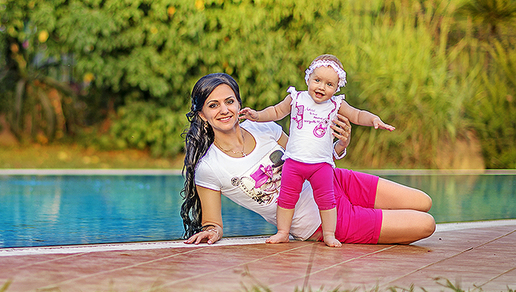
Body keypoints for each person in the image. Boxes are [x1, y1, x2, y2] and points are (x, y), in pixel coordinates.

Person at [180, 72, 435, 246]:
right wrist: (210, 231)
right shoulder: (210, 167)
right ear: (202, 115)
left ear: (239, 104)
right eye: (213, 105)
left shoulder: (265, 128)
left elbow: (311, 158)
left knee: (423, 201)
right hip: (322, 222)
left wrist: (341, 144)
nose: (224, 110)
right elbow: (213, 223)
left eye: (229, 101)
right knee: (426, 224)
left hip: (335, 181)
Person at [240, 54, 394, 247]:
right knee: (286, 199)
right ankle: (283, 232)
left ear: (336, 88)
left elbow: (357, 114)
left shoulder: (336, 105)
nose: (321, 87)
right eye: (317, 80)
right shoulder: (296, 98)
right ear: (308, 79)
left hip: (321, 166)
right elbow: (276, 111)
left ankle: (329, 234)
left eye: (329, 84)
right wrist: (257, 115)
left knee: (327, 201)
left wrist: (373, 119)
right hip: (294, 163)